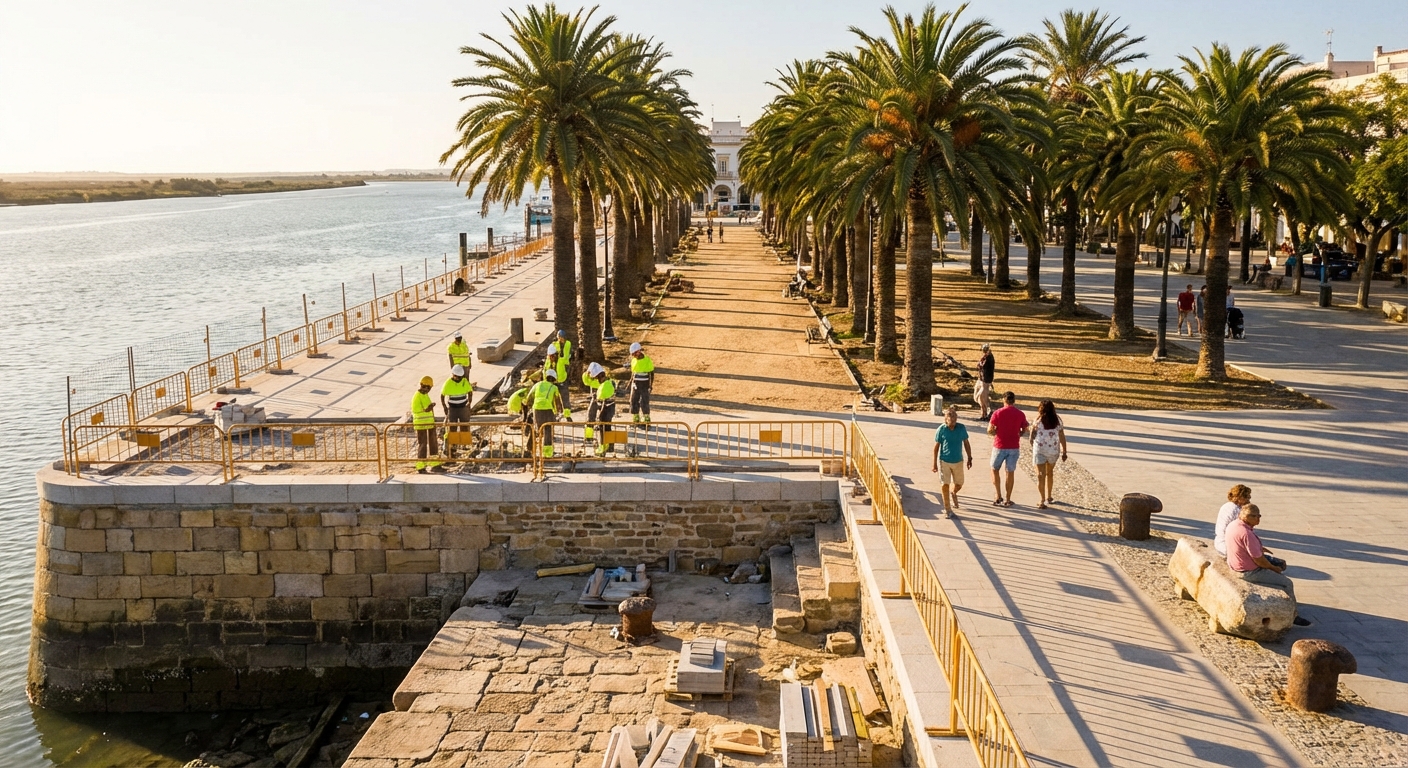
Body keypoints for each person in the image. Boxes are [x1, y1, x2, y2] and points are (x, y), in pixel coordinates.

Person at [1225, 504, 1312, 626]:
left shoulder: (1233, 525)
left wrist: (1259, 548)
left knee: (1278, 563)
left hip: (1235, 564)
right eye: (1255, 516)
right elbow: (1259, 560)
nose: (1258, 519)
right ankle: (1293, 616)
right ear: (1246, 517)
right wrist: (1273, 568)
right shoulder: (1246, 534)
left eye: (1259, 516)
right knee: (1287, 583)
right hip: (1248, 571)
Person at [986, 391, 1028, 506]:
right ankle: (1008, 499)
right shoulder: (1020, 414)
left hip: (999, 445)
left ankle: (998, 495)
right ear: (1014, 400)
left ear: (1003, 400)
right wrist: (1020, 434)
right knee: (1010, 472)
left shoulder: (997, 413)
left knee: (994, 469)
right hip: (1014, 446)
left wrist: (995, 432)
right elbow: (1025, 428)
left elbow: (989, 430)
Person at [930, 407, 973, 518]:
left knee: (959, 483)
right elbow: (936, 448)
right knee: (945, 484)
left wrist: (969, 458)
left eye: (954, 417)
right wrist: (934, 464)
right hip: (944, 460)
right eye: (950, 418)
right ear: (946, 419)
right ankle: (947, 509)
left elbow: (966, 443)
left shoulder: (961, 428)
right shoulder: (942, 429)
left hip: (958, 460)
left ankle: (953, 492)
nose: (953, 420)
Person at [1030, 399, 1067, 509]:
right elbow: (1062, 435)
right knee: (1049, 473)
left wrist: (1031, 441)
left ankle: (1042, 499)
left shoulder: (1038, 419)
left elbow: (1032, 433)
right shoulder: (1058, 420)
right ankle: (1048, 496)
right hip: (1053, 451)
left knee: (1040, 475)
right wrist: (1064, 451)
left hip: (1040, 450)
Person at [529, 369, 566, 458]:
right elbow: (557, 401)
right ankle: (547, 453)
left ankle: (532, 450)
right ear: (554, 379)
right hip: (548, 410)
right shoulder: (554, 387)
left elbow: (529, 396)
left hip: (536, 409)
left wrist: (530, 406)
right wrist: (560, 411)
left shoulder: (537, 385)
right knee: (548, 430)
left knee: (538, 430)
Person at [583, 362, 618, 456]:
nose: (596, 380)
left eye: (596, 377)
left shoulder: (604, 386)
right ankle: (610, 446)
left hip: (605, 407)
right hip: (609, 406)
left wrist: (600, 415)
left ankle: (603, 447)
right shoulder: (608, 382)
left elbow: (603, 402)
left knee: (603, 428)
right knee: (607, 426)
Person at [411, 376, 443, 473]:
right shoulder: (418, 396)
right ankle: (421, 466)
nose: (427, 389)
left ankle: (434, 464)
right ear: (421, 385)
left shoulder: (424, 395)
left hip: (429, 423)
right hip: (421, 424)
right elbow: (425, 409)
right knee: (423, 444)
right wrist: (431, 406)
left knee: (433, 443)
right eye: (425, 387)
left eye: (428, 388)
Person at [440, 365, 473, 458]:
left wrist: (469, 402)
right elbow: (442, 395)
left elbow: (470, 391)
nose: (458, 379)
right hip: (453, 408)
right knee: (453, 427)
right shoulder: (448, 383)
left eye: (460, 377)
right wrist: (444, 407)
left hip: (463, 407)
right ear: (453, 375)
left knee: (464, 425)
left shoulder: (464, 381)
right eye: (457, 377)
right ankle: (453, 446)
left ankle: (464, 444)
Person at [1213, 484, 1252, 557]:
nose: (1249, 499)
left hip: (1219, 542)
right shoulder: (1237, 511)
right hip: (1229, 547)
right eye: (1247, 497)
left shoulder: (1226, 505)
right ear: (1240, 498)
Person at [629, 341, 655, 424]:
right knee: (634, 399)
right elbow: (633, 373)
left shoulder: (647, 360)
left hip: (645, 383)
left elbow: (651, 373)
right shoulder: (633, 360)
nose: (634, 356)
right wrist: (630, 383)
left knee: (644, 400)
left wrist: (650, 385)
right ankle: (635, 415)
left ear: (639, 351)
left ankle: (646, 416)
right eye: (632, 354)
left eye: (635, 353)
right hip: (635, 383)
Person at [543, 342, 570, 410]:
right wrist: (545, 381)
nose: (551, 358)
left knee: (565, 400)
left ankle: (567, 413)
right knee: (552, 400)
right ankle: (555, 414)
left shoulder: (561, 360)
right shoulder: (547, 362)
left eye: (552, 356)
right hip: (551, 384)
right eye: (550, 356)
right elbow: (544, 371)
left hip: (562, 382)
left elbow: (568, 364)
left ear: (556, 355)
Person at [974, 344, 995, 421]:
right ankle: (984, 412)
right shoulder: (984, 357)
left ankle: (986, 413)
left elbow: (983, 366)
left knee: (983, 397)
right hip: (980, 378)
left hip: (986, 380)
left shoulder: (989, 358)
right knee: (978, 398)